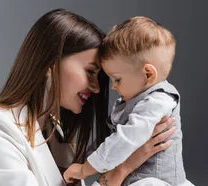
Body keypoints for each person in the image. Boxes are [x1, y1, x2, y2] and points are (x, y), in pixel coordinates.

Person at [0, 8, 176, 186]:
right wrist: (122, 169)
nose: (96, 88)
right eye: (90, 72)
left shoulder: (55, 131)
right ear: (51, 62)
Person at [63, 16, 192, 186]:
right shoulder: (136, 100)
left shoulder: (159, 100)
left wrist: (84, 169)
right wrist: (85, 159)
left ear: (148, 74)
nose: (113, 87)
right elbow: (111, 139)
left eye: (117, 79)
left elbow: (126, 139)